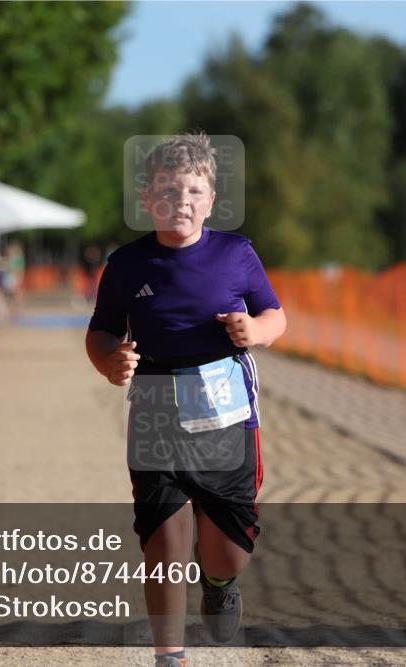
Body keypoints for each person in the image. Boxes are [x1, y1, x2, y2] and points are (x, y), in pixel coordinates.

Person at [85, 132, 286, 667]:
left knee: (231, 553)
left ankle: (218, 581)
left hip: (226, 408)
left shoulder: (236, 253)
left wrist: (255, 331)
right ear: (146, 197)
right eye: (169, 190)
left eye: (194, 191)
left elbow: (276, 315)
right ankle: (169, 657)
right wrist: (110, 360)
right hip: (154, 403)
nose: (182, 201)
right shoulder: (127, 264)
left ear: (211, 200)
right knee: (163, 545)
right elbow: (100, 332)